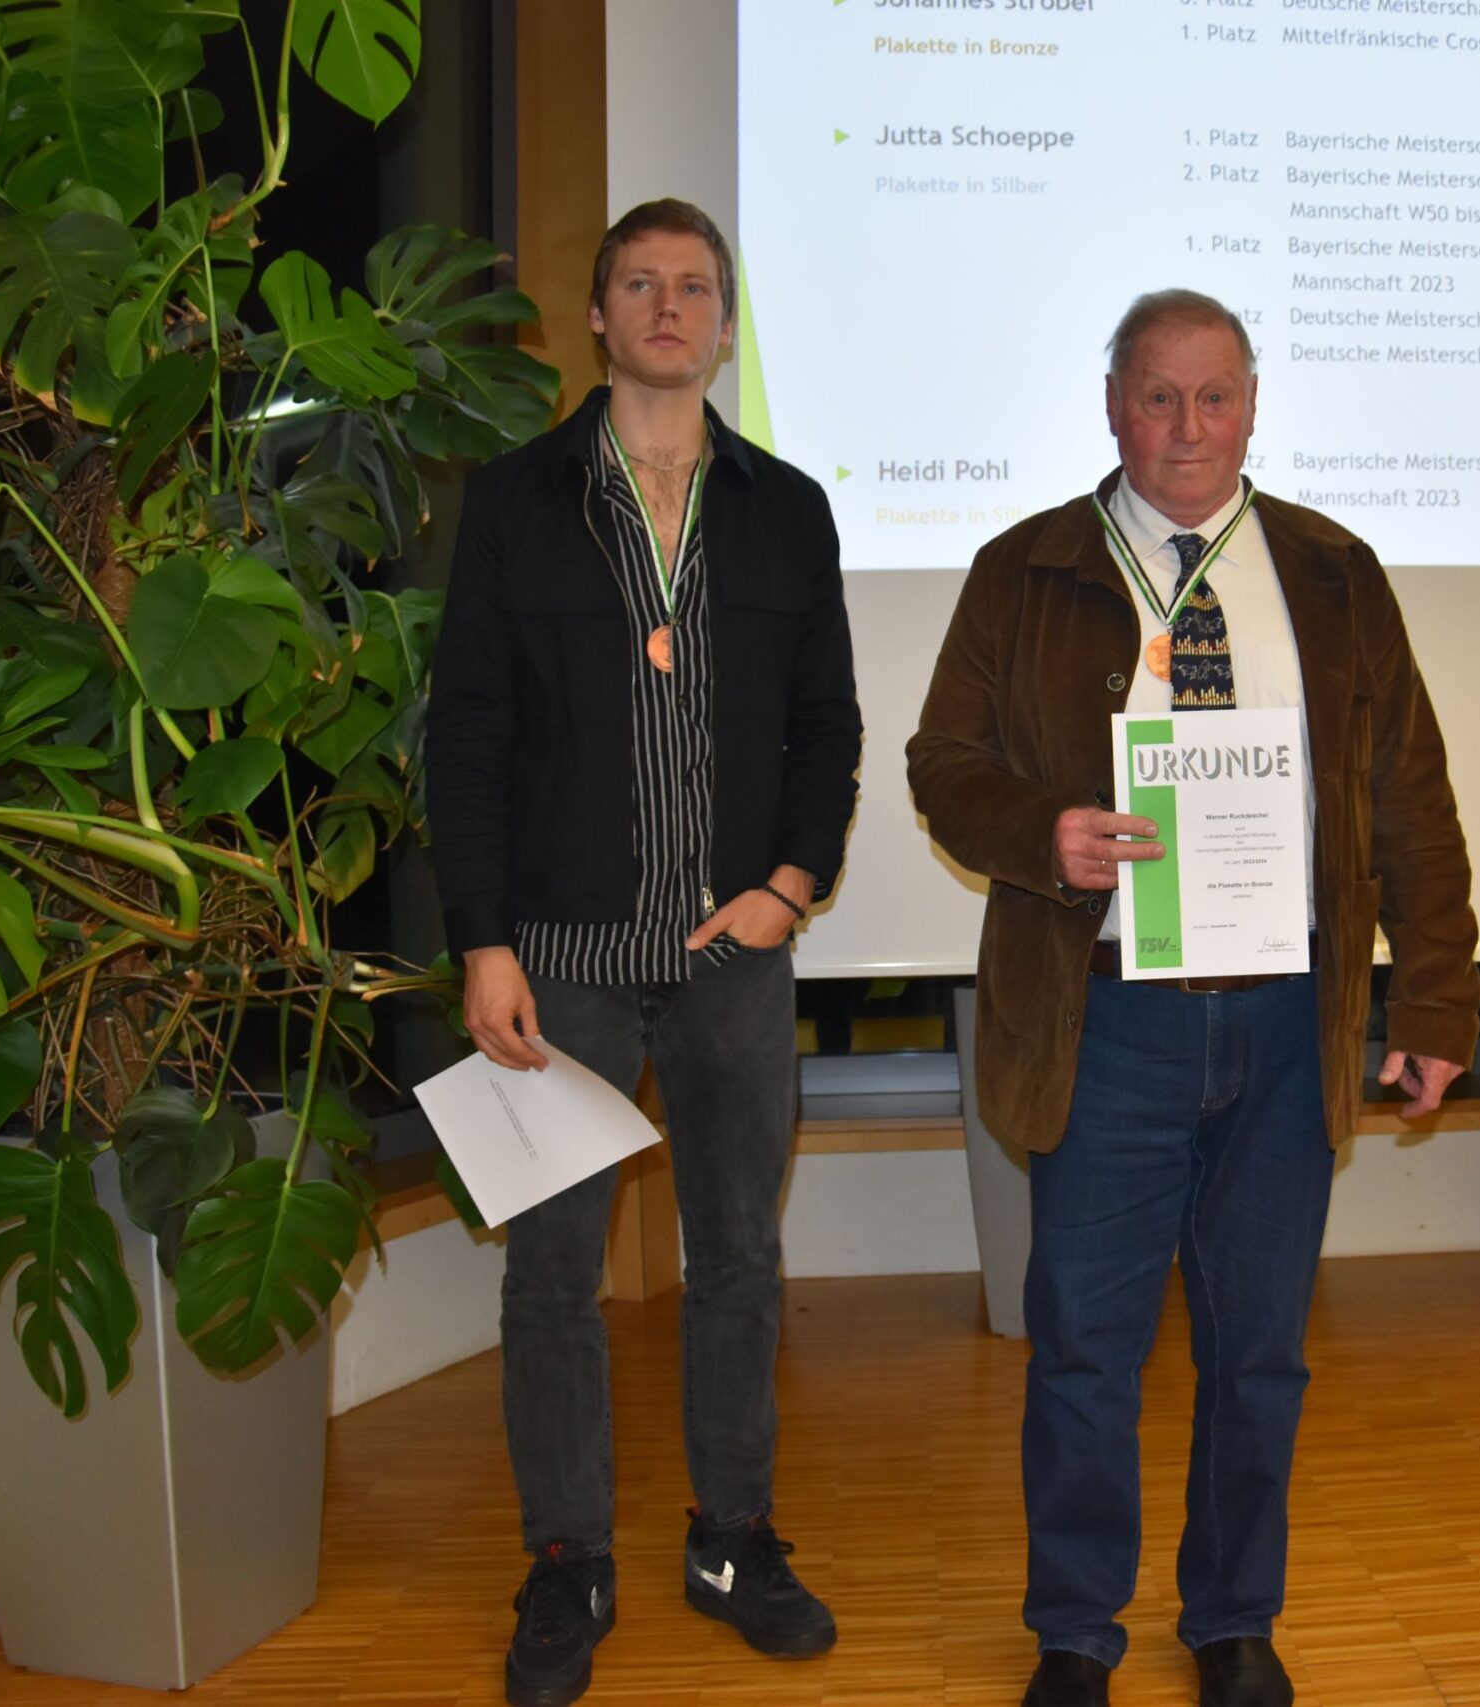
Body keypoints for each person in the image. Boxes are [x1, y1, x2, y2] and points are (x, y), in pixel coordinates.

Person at [907, 290, 1480, 1707]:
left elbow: (1411, 797)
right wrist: (1040, 829)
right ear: (1114, 405)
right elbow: (942, 763)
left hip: (1289, 1019)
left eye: (1214, 396)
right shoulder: (1025, 569)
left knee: (1259, 1353)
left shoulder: (1333, 573)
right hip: (1107, 1018)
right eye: (1157, 396)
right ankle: (1075, 1633)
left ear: (1252, 407)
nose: (1186, 427)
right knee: (1084, 1351)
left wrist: (1436, 1001)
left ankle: (1233, 1619)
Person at [428, 197, 861, 1707]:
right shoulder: (515, 503)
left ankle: (732, 1539)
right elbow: (468, 737)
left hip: (735, 955)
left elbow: (827, 724)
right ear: (599, 316)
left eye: (693, 286)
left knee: (737, 1258)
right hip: (560, 960)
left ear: (725, 326)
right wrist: (483, 942)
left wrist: (793, 883)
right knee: (552, 1276)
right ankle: (569, 1561)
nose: (668, 306)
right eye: (638, 283)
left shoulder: (788, 509)